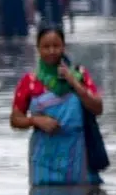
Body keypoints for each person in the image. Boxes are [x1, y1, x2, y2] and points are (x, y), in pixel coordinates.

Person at [9, 25, 104, 185]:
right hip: (43, 160)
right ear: (38, 49)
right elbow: (15, 119)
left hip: (78, 156)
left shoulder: (80, 75)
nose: (52, 51)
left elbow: (97, 108)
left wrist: (74, 82)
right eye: (46, 47)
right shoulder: (30, 82)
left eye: (56, 46)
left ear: (63, 47)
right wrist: (36, 121)